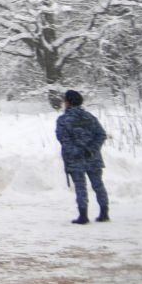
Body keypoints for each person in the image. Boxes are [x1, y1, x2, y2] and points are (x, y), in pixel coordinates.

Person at [55, 89, 108, 224]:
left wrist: (76, 151)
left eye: (65, 100)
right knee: (98, 185)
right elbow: (101, 134)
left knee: (80, 186)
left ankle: (83, 215)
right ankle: (104, 212)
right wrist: (92, 149)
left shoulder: (63, 120)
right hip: (93, 157)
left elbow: (63, 139)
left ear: (68, 102)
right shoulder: (89, 117)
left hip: (75, 160)